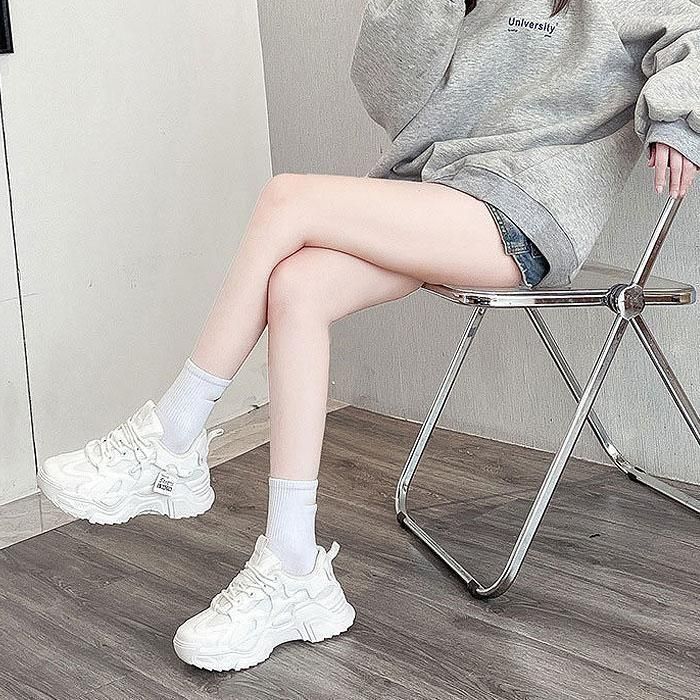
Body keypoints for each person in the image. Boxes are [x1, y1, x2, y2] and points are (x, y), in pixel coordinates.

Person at [38, 0, 698, 673]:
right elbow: (391, 94)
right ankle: (293, 568)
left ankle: (172, 437)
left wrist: (678, 121)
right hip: (437, 193)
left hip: (524, 214)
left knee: (287, 199)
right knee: (296, 287)